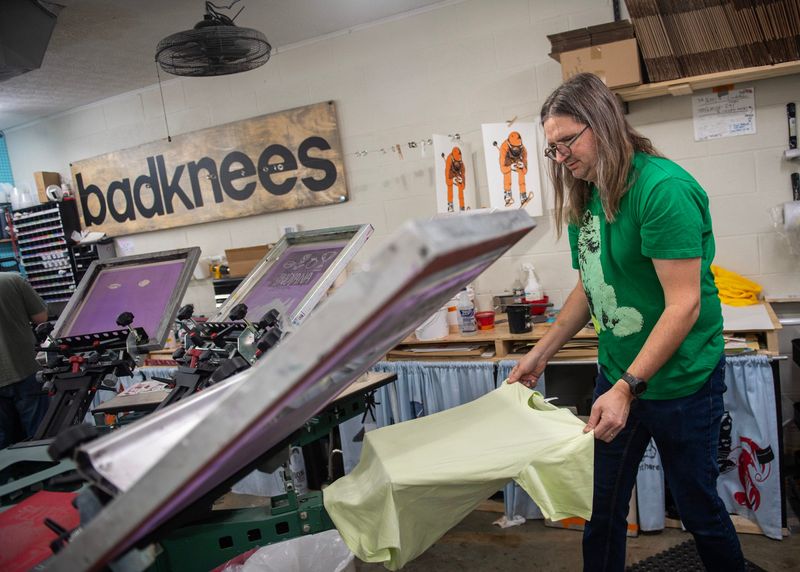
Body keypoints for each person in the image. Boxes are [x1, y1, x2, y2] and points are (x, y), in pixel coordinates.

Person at [508, 73, 745, 571]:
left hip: (681, 382)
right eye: (552, 148)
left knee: (699, 510)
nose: (561, 157)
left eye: (567, 141)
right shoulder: (585, 194)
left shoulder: (663, 190)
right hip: (617, 376)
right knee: (603, 508)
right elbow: (589, 286)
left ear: (604, 124)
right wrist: (540, 352)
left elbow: (684, 306)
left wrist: (627, 387)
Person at [0, 271, 49, 448]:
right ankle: (44, 475)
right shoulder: (11, 280)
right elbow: (41, 318)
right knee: (39, 436)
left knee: (4, 446)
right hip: (25, 369)